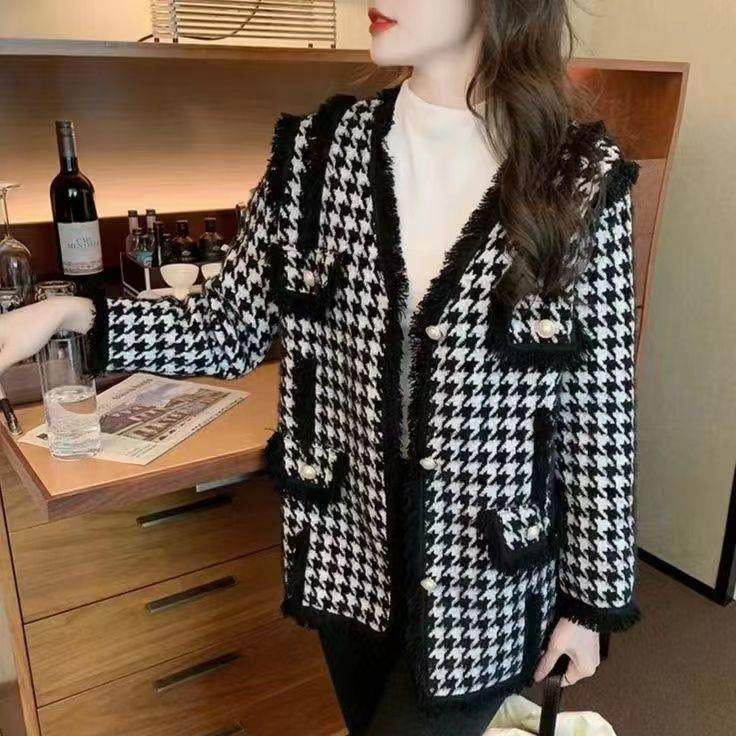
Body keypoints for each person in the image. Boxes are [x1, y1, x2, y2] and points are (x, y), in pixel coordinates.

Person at [0, 1, 642, 734]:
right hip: (350, 550)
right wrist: (69, 315)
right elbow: (222, 328)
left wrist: (592, 603)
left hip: (487, 578)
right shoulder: (316, 155)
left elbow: (599, 415)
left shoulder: (575, 175)